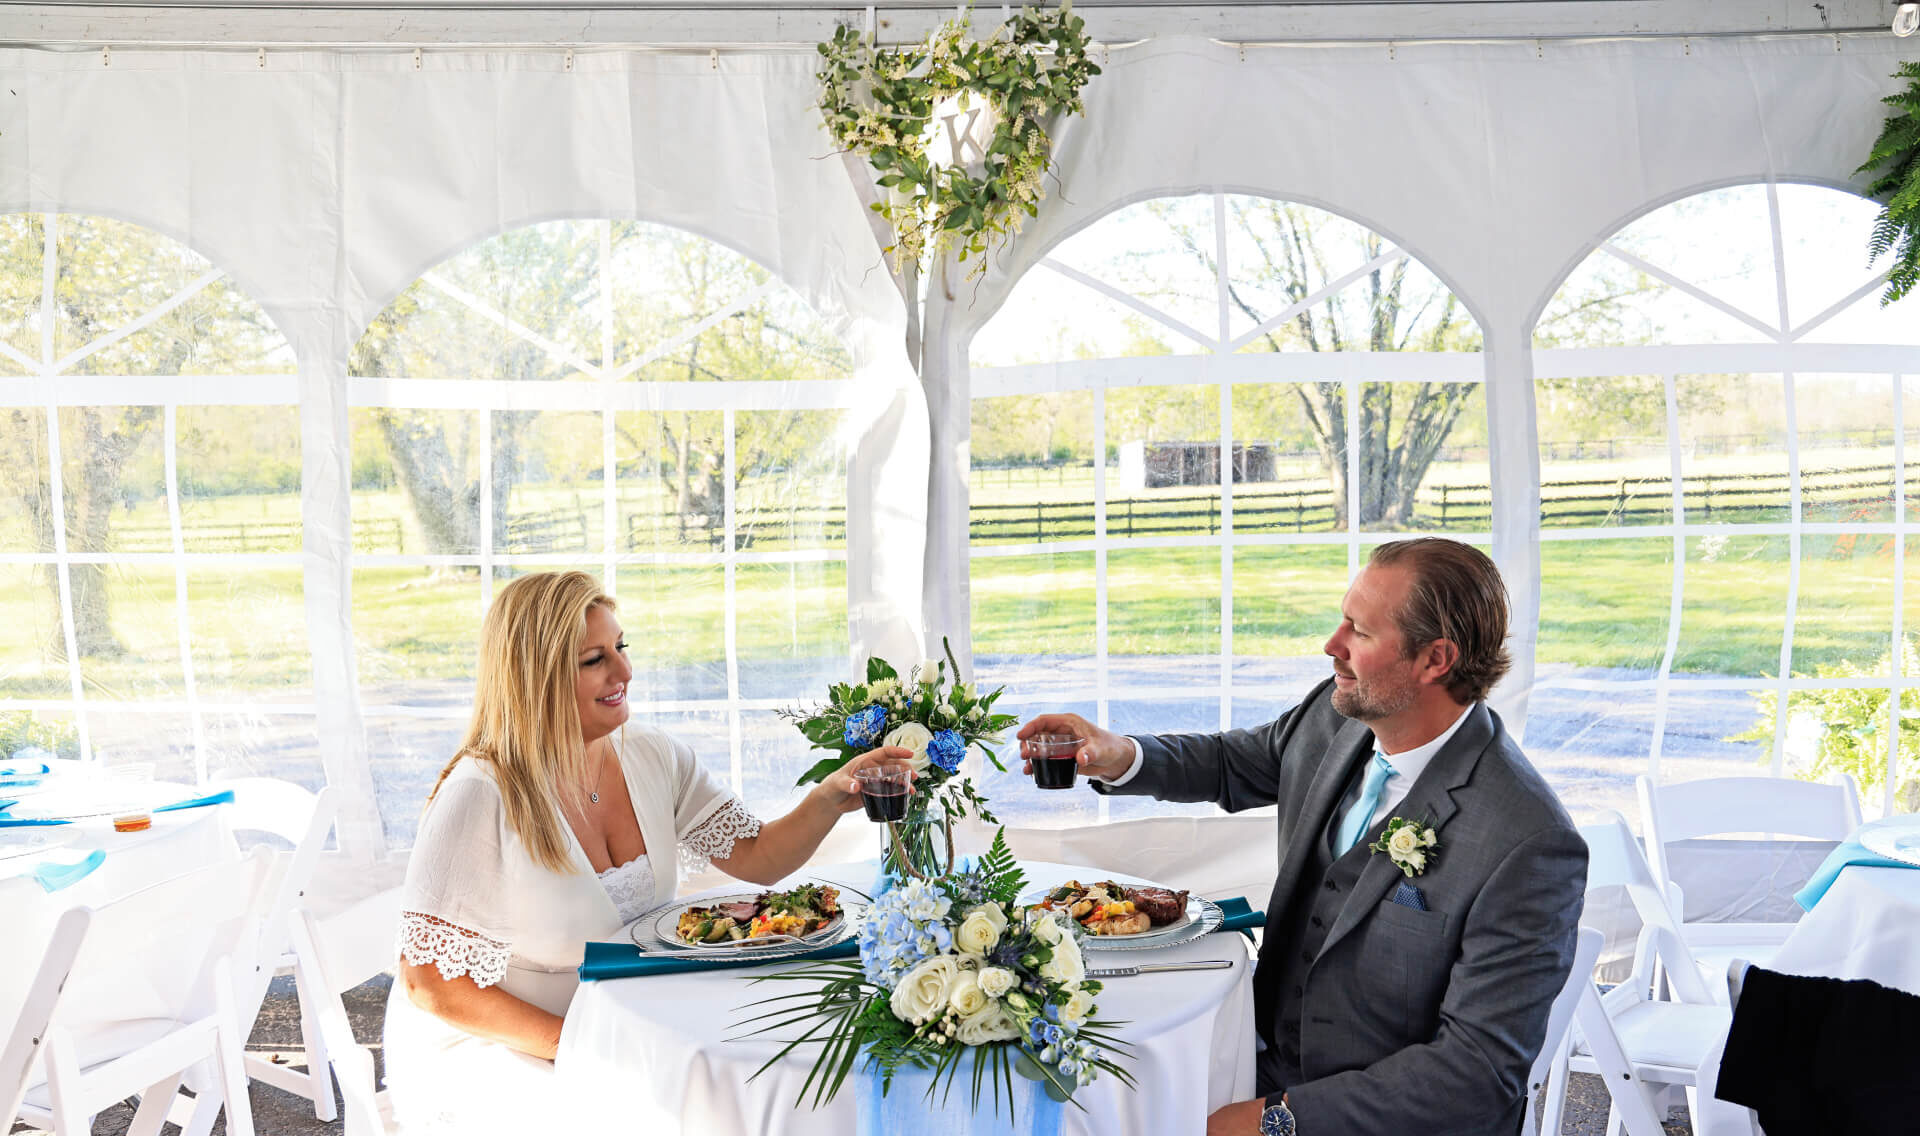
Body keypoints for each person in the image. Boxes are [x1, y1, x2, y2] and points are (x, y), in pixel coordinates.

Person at [1019, 538, 1587, 1136]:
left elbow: (1476, 1074)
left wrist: (1273, 1121)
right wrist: (1118, 755)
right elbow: (1234, 762)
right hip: (1253, 1055)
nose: (1332, 646)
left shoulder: (1529, 843)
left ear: (1434, 660)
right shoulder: (1340, 712)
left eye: (1360, 633)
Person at [385, 570, 902, 1133]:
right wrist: (581, 1045)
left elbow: (758, 855)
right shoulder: (480, 791)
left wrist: (830, 796)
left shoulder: (652, 755)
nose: (624, 672)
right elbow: (428, 984)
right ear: (536, 678)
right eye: (594, 660)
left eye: (621, 647)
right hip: (504, 1046)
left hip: (629, 1024)